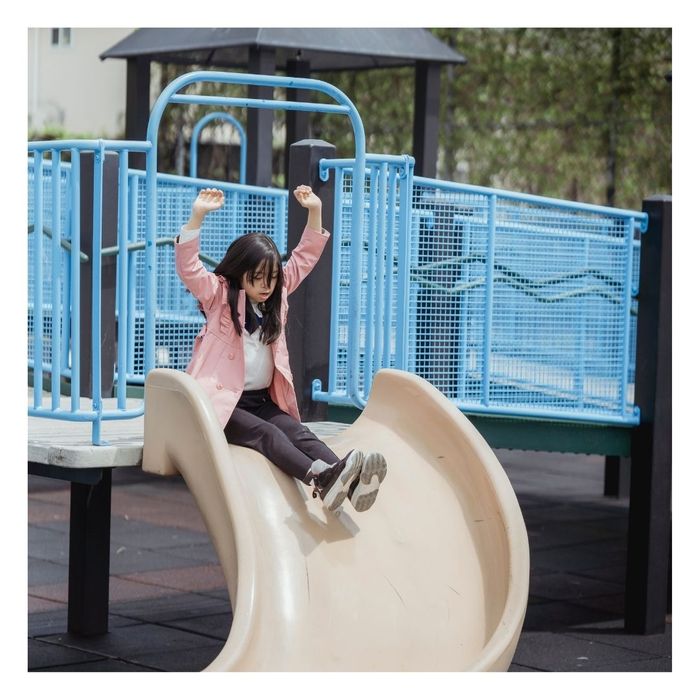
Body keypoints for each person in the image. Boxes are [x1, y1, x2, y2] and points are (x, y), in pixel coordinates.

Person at [175, 185, 387, 515]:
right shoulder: (219, 296)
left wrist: (314, 211)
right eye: (257, 278)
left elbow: (303, 257)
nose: (266, 285)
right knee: (268, 435)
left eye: (272, 278)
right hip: (224, 407)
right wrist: (197, 217)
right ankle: (320, 478)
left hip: (261, 401)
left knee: (297, 432)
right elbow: (189, 268)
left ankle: (352, 480)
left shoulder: (277, 298)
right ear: (239, 273)